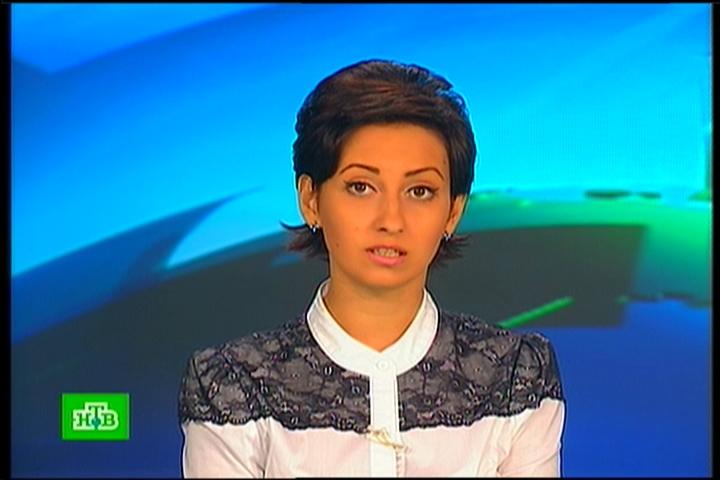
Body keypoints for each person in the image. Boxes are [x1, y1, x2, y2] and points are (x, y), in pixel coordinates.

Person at [178, 59, 565, 477]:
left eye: (420, 191)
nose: (391, 220)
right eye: (361, 187)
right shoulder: (233, 385)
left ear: (453, 212)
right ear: (311, 199)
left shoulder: (515, 377)